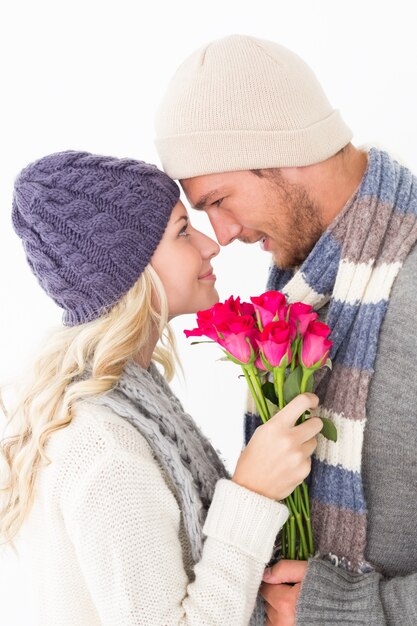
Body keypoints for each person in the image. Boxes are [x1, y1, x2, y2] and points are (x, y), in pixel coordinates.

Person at [154, 34, 417, 626]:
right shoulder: (307, 291)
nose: (221, 234)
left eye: (219, 199)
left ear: (280, 147)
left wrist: (347, 609)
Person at [0, 151, 323, 626]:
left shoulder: (132, 401)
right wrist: (251, 494)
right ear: (131, 272)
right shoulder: (104, 446)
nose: (211, 244)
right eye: (182, 232)